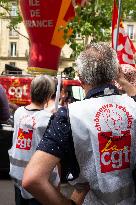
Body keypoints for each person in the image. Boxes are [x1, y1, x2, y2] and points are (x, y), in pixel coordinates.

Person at [22, 43, 136, 205]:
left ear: (80, 78)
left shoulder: (69, 116)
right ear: (115, 73)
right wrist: (123, 81)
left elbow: (32, 179)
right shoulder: (132, 106)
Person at [8, 75, 60, 205]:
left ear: (31, 91)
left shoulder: (19, 112)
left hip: (18, 176)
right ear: (49, 95)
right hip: (36, 181)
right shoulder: (48, 119)